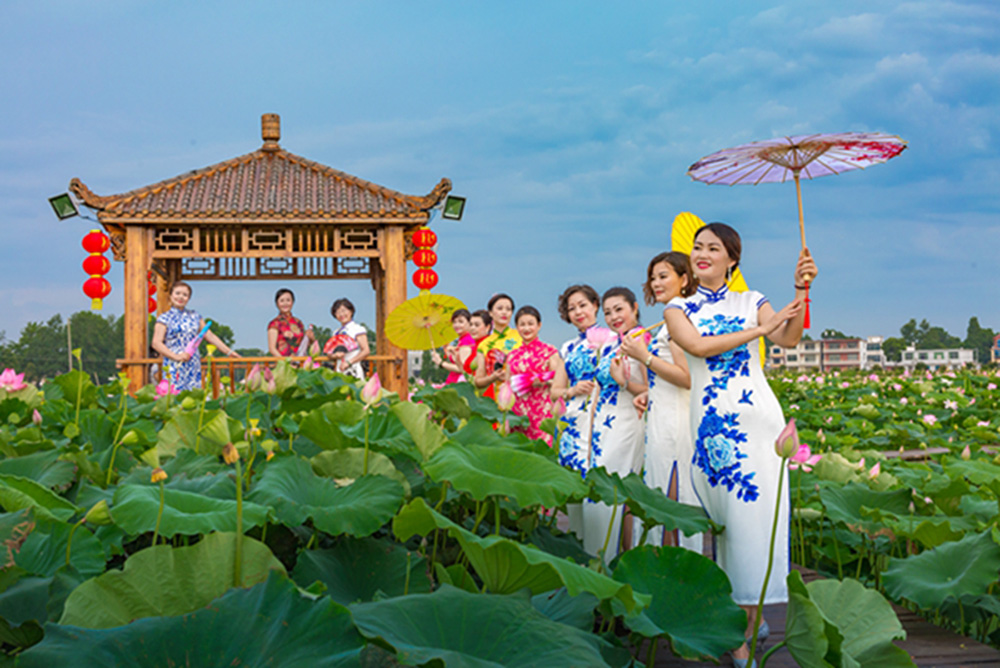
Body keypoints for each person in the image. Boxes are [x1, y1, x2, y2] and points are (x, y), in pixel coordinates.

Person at [664, 222, 816, 666]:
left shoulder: (753, 301)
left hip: (761, 422)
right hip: (714, 426)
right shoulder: (678, 307)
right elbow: (697, 347)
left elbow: (787, 337)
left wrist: (801, 289)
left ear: (733, 259)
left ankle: (745, 630)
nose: (702, 253)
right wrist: (758, 331)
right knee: (728, 521)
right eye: (698, 247)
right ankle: (735, 623)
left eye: (714, 248)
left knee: (757, 521)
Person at [620, 251, 698, 550]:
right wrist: (648, 394)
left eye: (663, 276)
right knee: (661, 489)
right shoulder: (669, 320)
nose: (655, 283)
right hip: (662, 412)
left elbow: (687, 377)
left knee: (671, 497)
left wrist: (644, 356)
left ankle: (672, 562)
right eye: (653, 278)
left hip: (675, 420)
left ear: (684, 279)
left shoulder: (680, 320)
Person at [585, 286, 648, 560]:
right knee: (603, 486)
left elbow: (652, 390)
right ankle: (600, 557)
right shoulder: (613, 343)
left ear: (635, 307)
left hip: (627, 421)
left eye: (619, 309)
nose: (613, 317)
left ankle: (612, 558)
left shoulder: (642, 339)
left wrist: (623, 382)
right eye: (608, 312)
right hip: (603, 423)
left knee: (616, 488)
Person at [550, 285, 607, 551]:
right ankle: (579, 552)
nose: (578, 312)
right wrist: (572, 390)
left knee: (599, 489)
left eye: (582, 305)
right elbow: (555, 391)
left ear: (595, 305)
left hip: (604, 420)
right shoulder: (568, 347)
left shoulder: (614, 340)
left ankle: (601, 554)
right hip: (573, 423)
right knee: (574, 492)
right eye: (571, 308)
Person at [151, 281, 238, 391]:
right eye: (177, 293)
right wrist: (176, 356)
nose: (181, 297)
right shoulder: (164, 318)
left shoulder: (195, 316)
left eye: (185, 295)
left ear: (188, 298)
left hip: (192, 362)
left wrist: (229, 352)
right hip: (173, 363)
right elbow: (156, 343)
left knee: (194, 395)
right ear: (171, 295)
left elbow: (209, 335)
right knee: (173, 394)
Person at [505, 306, 559, 444]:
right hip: (518, 414)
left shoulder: (549, 351)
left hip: (542, 412)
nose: (526, 328)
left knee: (543, 450)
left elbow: (559, 382)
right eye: (522, 324)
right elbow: (507, 386)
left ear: (539, 325)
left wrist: (544, 382)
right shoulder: (512, 356)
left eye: (530, 324)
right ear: (517, 327)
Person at [474, 293, 522, 398]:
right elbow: (478, 382)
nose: (504, 312)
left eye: (508, 309)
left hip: (524, 396)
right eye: (500, 308)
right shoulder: (484, 345)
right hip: (499, 400)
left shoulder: (521, 335)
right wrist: (493, 377)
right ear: (490, 313)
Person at [324, 298, 370, 379]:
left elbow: (366, 351)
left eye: (343, 311)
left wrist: (349, 362)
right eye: (337, 312)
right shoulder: (336, 332)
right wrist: (335, 355)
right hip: (339, 369)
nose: (341, 314)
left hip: (353, 369)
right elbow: (329, 353)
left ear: (351, 311)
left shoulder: (358, 329)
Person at [267, 288, 317, 357]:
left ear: (292, 302)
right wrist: (285, 362)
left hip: (299, 361)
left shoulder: (298, 323)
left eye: (288, 300)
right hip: (282, 361)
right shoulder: (274, 323)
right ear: (277, 303)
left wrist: (310, 339)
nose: (285, 303)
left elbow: (303, 346)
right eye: (282, 301)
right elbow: (272, 349)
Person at [430, 309, 475, 384]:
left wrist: (441, 363)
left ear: (469, 323)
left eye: (461, 321)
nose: (456, 325)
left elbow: (462, 369)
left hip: (460, 383)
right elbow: (456, 360)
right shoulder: (462, 340)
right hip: (454, 381)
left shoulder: (467, 341)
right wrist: (447, 349)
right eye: (454, 322)